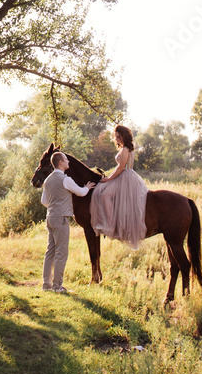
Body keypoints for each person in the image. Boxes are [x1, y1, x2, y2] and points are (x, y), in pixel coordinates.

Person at [88, 125, 148, 249]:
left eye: (118, 137)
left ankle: (110, 225)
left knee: (105, 195)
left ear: (124, 136)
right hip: (124, 175)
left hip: (126, 177)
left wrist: (109, 179)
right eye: (116, 137)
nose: (117, 139)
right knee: (106, 194)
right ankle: (111, 223)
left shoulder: (126, 149)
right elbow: (119, 167)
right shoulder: (125, 148)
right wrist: (109, 176)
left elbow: (121, 167)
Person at [40, 150, 91, 293]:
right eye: (66, 160)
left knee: (50, 251)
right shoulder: (66, 179)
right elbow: (81, 192)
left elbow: (44, 201)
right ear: (60, 163)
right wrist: (87, 187)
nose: (68, 162)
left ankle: (46, 285)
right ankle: (57, 286)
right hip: (61, 218)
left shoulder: (47, 180)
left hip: (50, 217)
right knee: (61, 252)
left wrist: (55, 204)